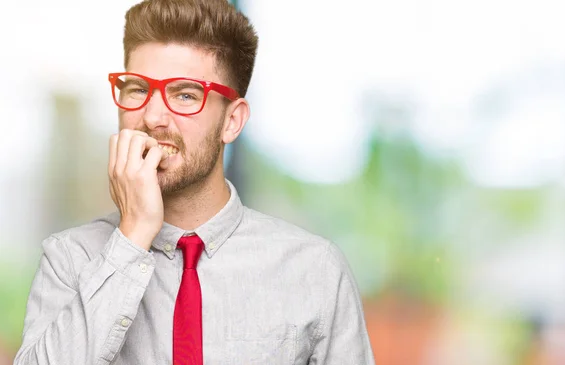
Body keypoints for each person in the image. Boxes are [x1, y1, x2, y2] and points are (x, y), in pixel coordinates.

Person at [14, 0, 376, 364]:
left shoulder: (314, 270)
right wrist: (133, 237)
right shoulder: (69, 259)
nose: (153, 117)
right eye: (138, 89)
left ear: (232, 121)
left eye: (186, 95)